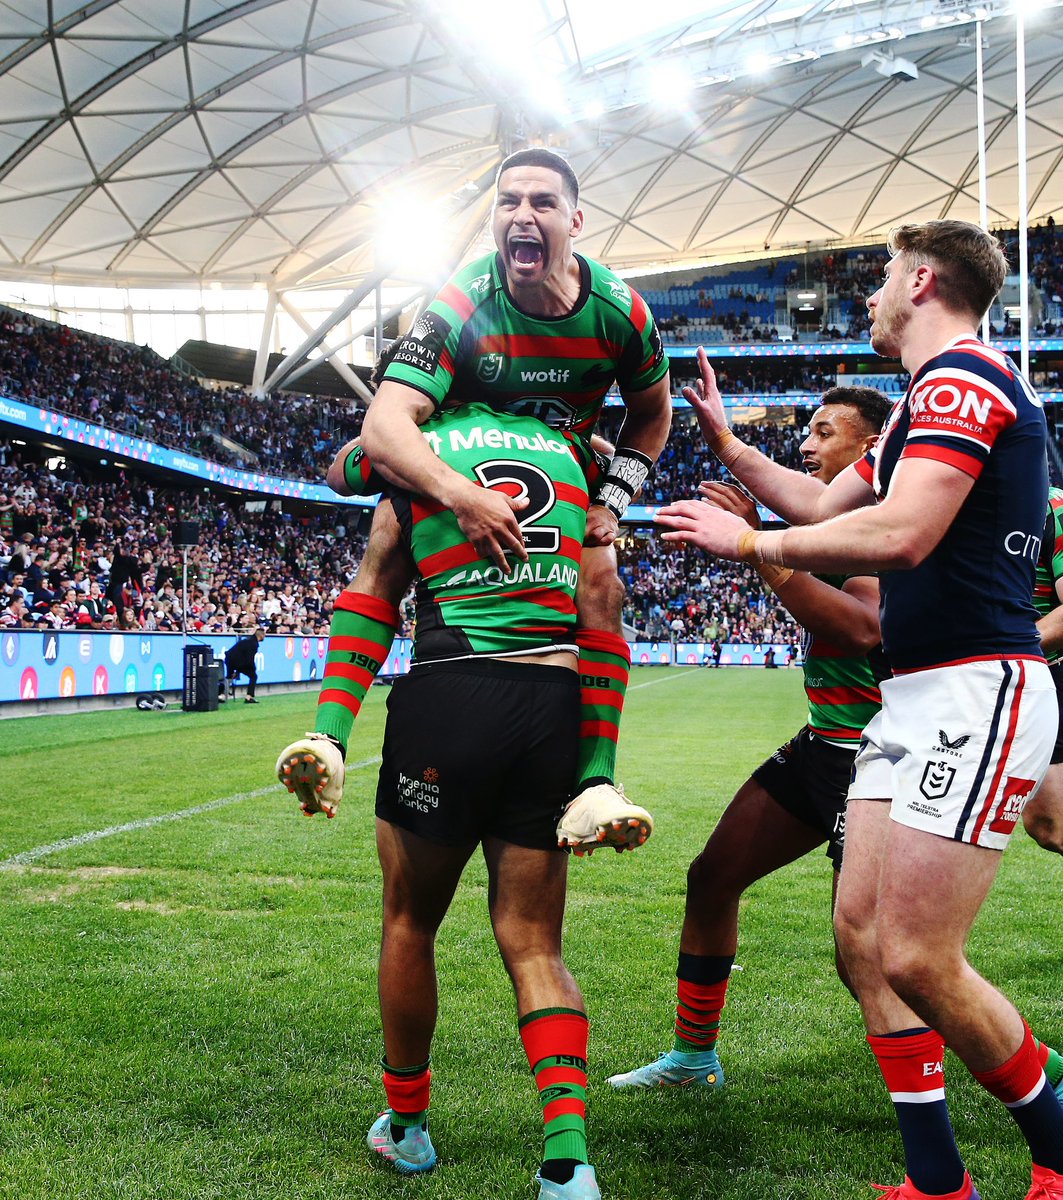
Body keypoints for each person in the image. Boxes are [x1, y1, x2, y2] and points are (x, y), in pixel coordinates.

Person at [655, 220, 1063, 1200]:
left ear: (921, 282)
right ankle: (937, 1181)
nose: (869, 295)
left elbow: (906, 532)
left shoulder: (964, 381)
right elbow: (823, 503)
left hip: (976, 688)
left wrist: (751, 550)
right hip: (916, 699)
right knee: (867, 941)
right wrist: (729, 455)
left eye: (881, 277)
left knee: (920, 955)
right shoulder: (925, 405)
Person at [278, 146, 671, 852]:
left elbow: (652, 414)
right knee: (372, 504)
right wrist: (457, 492)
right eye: (507, 202)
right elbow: (388, 419)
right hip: (456, 446)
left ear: (575, 221)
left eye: (541, 203)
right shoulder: (463, 296)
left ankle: (594, 784)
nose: (522, 215)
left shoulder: (621, 312)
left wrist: (611, 501)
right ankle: (327, 738)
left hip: (556, 461)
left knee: (602, 578)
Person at [290, 402, 603, 1200]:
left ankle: (406, 1128)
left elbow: (370, 578)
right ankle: (566, 1162)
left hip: (448, 690)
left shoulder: (410, 445)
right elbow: (603, 605)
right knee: (536, 943)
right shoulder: (573, 449)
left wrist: (330, 732)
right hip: (551, 702)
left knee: (409, 920)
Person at [608, 386, 892, 1092]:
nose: (806, 443)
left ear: (868, 449)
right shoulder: (816, 525)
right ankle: (693, 1057)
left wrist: (754, 548)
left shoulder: (884, 520)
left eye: (825, 433)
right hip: (825, 744)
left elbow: (861, 626)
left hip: (882, 757)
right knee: (712, 877)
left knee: (875, 958)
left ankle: (1033, 1078)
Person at [1025, 486, 1063, 853]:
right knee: (1046, 823)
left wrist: (1002, 653)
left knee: (1052, 823)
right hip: (977, 682)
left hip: (1046, 675)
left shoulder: (1054, 507)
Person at [224, 627, 265, 702]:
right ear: (261, 635)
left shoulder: (247, 640)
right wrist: (253, 668)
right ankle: (249, 696)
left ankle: (220, 694)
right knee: (253, 676)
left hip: (230, 659)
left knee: (229, 677)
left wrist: (237, 670)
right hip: (237, 662)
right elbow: (249, 659)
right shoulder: (253, 644)